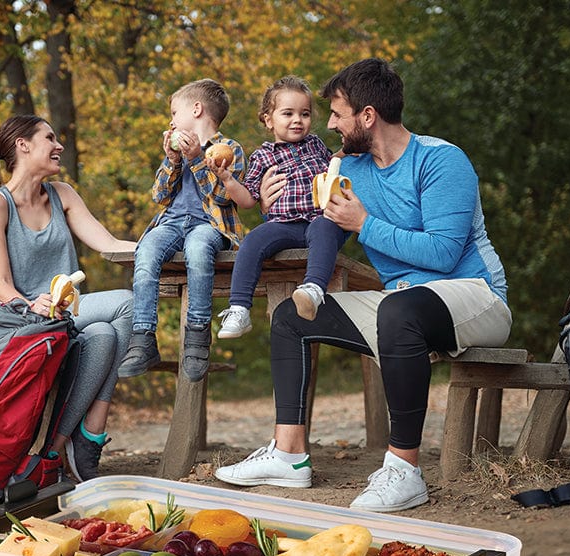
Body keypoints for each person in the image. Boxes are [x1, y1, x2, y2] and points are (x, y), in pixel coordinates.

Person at [215, 58, 512, 513]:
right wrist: (268, 207)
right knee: (291, 317)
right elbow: (319, 226)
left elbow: (443, 254)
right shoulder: (350, 167)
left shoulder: (440, 159)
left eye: (336, 113)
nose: (329, 123)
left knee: (399, 308)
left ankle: (404, 469)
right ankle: (289, 454)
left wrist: (365, 223)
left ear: (367, 116)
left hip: (474, 296)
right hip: (402, 306)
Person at [0, 114, 136, 482]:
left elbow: (108, 244)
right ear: (22, 145)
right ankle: (92, 430)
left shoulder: (62, 194)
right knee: (128, 302)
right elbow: (0, 283)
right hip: (24, 322)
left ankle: (57, 450)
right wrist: (31, 305)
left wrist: (158, 251)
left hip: (67, 317)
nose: (58, 145)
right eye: (50, 137)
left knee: (106, 335)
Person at [117, 79, 245, 383]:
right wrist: (173, 161)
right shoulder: (175, 149)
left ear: (197, 109)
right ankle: (143, 337)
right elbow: (159, 196)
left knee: (198, 251)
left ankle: (197, 339)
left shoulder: (229, 150)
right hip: (172, 222)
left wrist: (197, 159)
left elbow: (223, 198)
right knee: (145, 250)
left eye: (175, 112)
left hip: (209, 225)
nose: (171, 120)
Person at [213, 75, 339, 340]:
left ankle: (313, 290)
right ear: (269, 120)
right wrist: (227, 179)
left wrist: (351, 151)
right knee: (253, 241)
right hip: (283, 225)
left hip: (317, 220)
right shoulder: (263, 156)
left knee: (327, 227)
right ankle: (239, 308)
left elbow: (336, 165)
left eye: (304, 113)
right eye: (288, 113)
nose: (298, 120)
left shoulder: (316, 144)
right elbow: (247, 200)